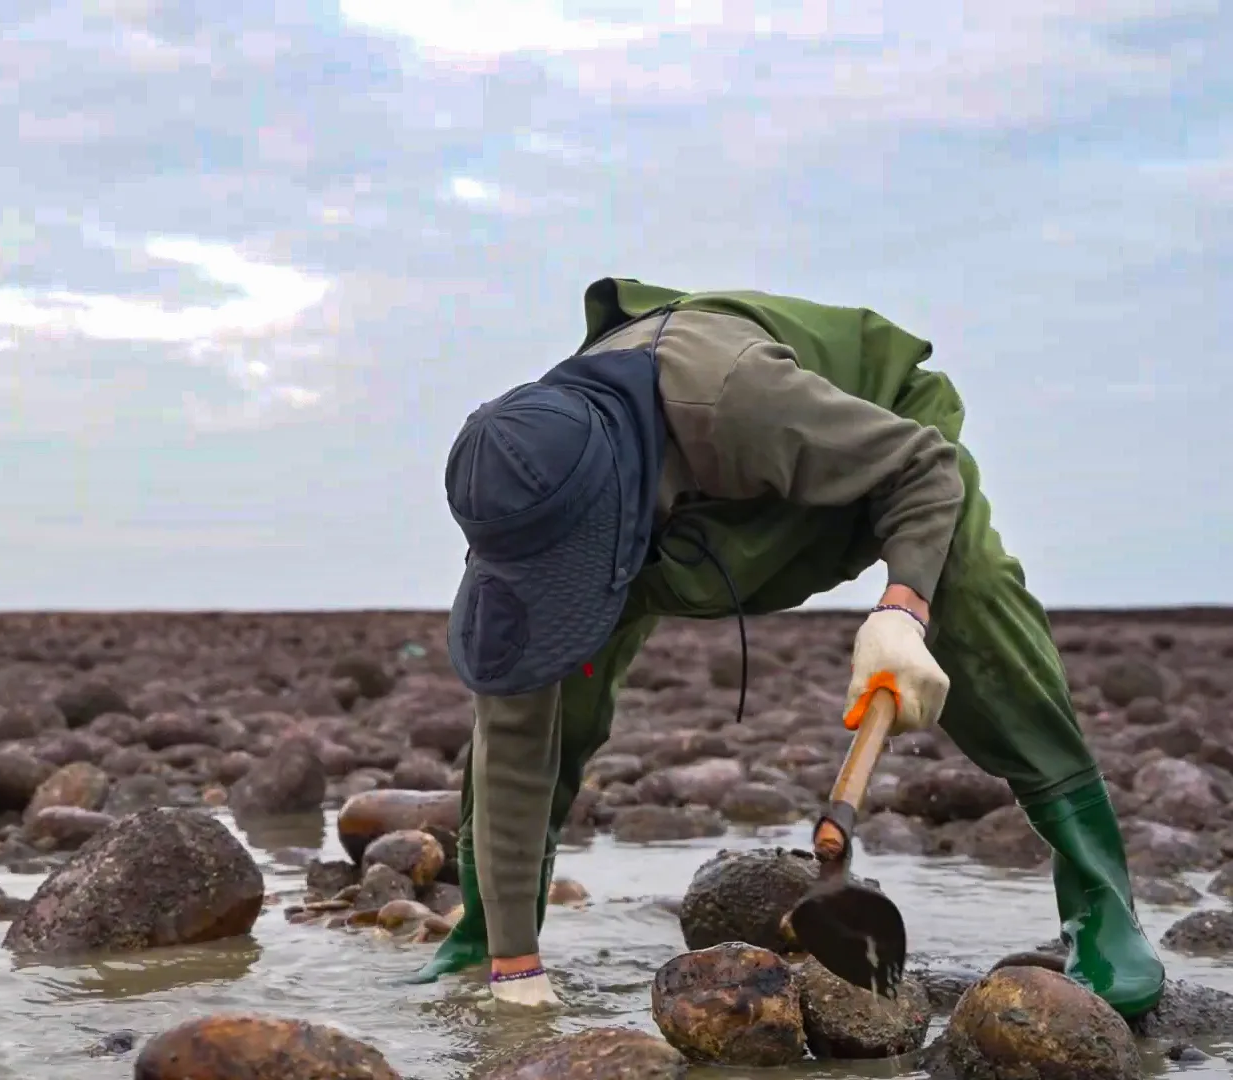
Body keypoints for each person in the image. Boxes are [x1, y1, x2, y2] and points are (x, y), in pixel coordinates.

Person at [403, 278, 1166, 1020]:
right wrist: (513, 967)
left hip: (874, 453)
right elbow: (511, 731)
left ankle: (1102, 905)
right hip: (667, 522)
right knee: (547, 692)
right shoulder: (521, 493)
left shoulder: (735, 400)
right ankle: (484, 925)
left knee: (972, 597)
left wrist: (903, 608)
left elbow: (919, 466)